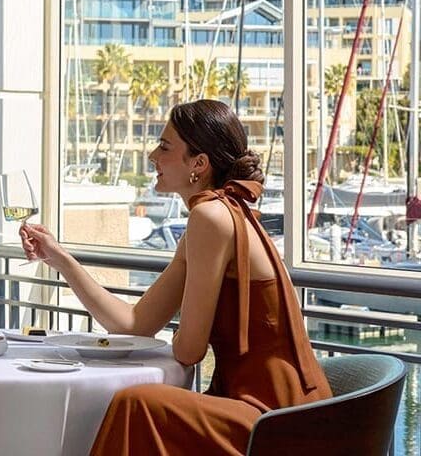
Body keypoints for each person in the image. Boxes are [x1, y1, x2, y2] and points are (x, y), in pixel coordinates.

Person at [20, 99, 332, 456]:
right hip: (271, 407)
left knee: (137, 404)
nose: (152, 155)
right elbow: (134, 324)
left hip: (276, 419)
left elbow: (189, 350)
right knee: (141, 406)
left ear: (198, 164)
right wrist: (60, 259)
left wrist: (189, 326)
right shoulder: (217, 215)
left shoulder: (211, 217)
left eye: (165, 146)